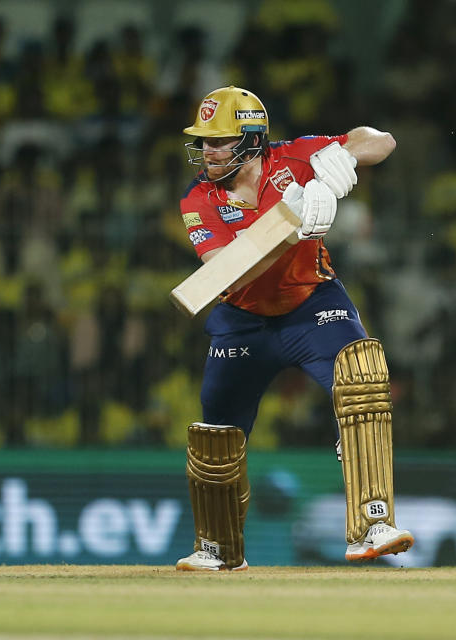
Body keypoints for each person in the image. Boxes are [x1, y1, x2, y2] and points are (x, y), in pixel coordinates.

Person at [173, 86, 413, 571]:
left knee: (361, 376)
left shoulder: (296, 158)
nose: (208, 152)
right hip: (243, 320)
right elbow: (225, 272)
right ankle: (219, 550)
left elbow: (379, 140)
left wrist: (338, 167)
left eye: (219, 142)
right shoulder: (198, 199)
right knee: (216, 434)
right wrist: (291, 219)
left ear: (252, 140)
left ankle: (372, 524)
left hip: (312, 302)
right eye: (204, 142)